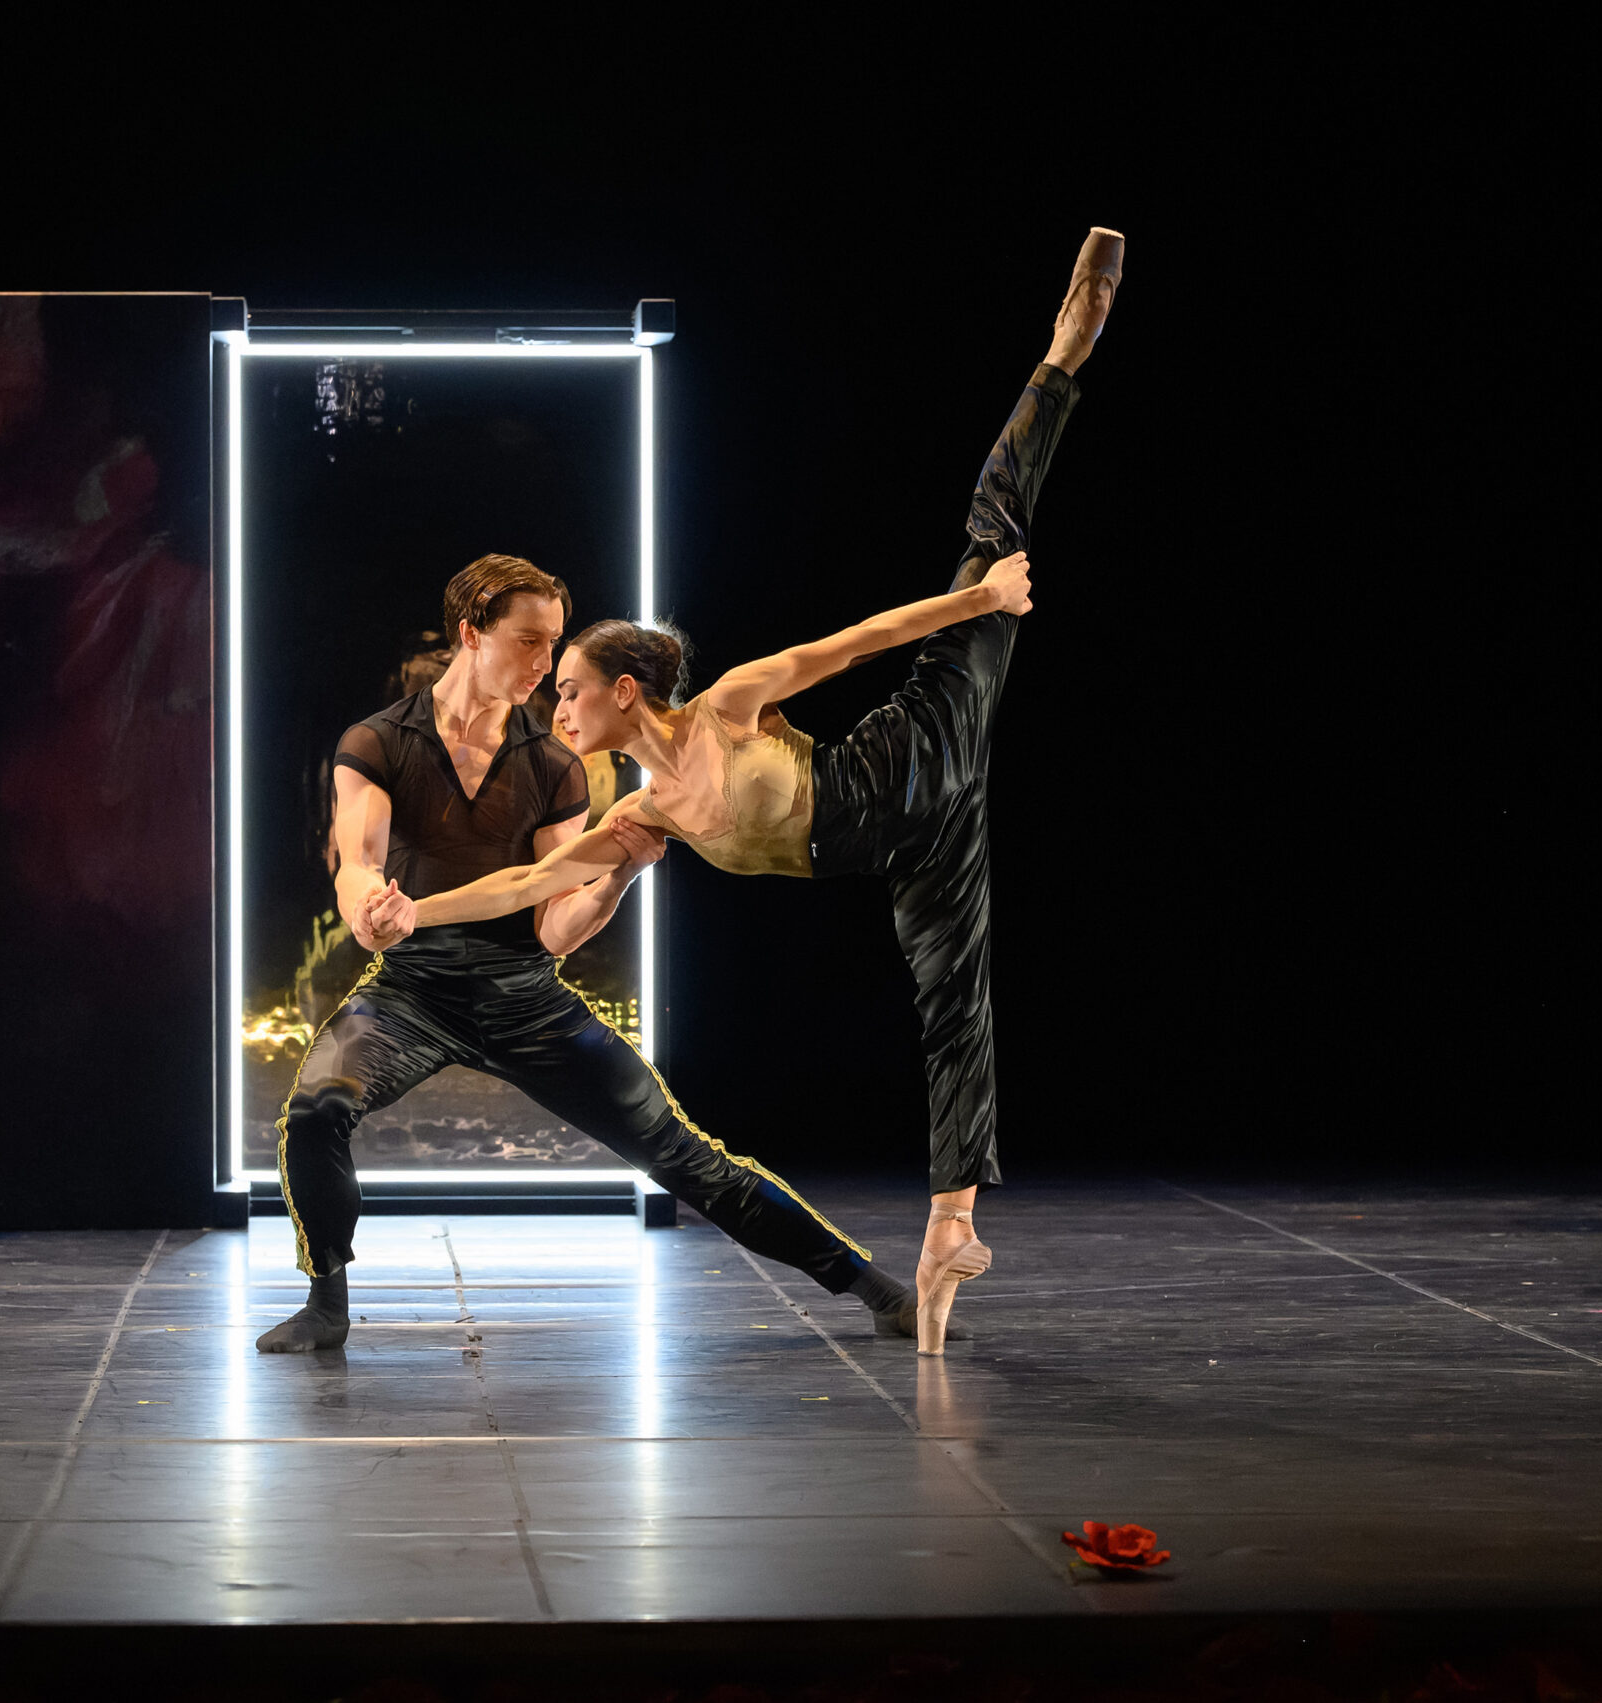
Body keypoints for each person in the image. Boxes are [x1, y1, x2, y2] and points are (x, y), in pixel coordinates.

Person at [379, 228, 1124, 1353]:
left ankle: (1063, 353)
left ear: (625, 691)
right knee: (953, 1008)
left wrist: (980, 605)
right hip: (908, 845)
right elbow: (529, 887)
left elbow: (859, 639)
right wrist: (417, 912)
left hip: (912, 754)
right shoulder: (640, 815)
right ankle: (951, 1228)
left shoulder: (726, 707)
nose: (556, 711)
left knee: (989, 538)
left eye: (569, 693)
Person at [257, 553, 926, 1353]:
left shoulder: (553, 764)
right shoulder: (378, 741)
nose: (545, 663)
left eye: (555, 644)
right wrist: (368, 906)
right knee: (317, 1108)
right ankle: (326, 1301)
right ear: (470, 634)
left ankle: (873, 1287)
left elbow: (551, 927)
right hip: (411, 992)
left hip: (526, 997)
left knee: (683, 1154)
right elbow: (357, 860)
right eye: (528, 641)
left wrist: (619, 878)